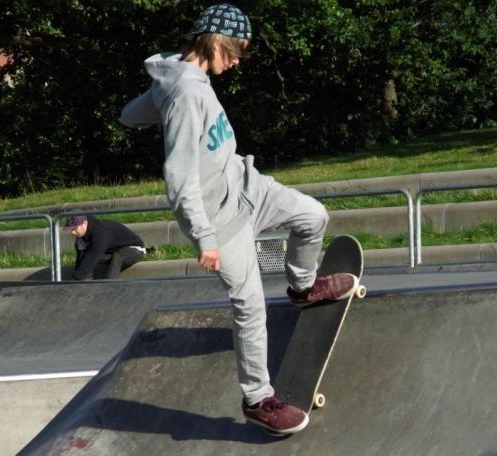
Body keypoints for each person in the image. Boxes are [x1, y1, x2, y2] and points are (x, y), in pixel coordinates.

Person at [119, 3, 358, 435]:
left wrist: (159, 97)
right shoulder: (188, 93)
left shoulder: (180, 80)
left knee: (312, 216)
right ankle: (258, 399)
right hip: (219, 220)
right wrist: (204, 237)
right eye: (233, 53)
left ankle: (303, 287)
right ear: (214, 42)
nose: (235, 63)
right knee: (250, 306)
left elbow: (128, 116)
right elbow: (178, 176)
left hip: (248, 187)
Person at [63, 214, 146, 280]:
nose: (73, 232)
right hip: (112, 251)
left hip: (135, 249)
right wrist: (76, 277)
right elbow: (82, 259)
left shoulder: (100, 232)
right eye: (71, 229)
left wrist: (79, 277)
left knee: (118, 257)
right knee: (88, 259)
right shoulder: (81, 238)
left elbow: (93, 256)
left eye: (75, 228)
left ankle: (108, 286)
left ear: (84, 223)